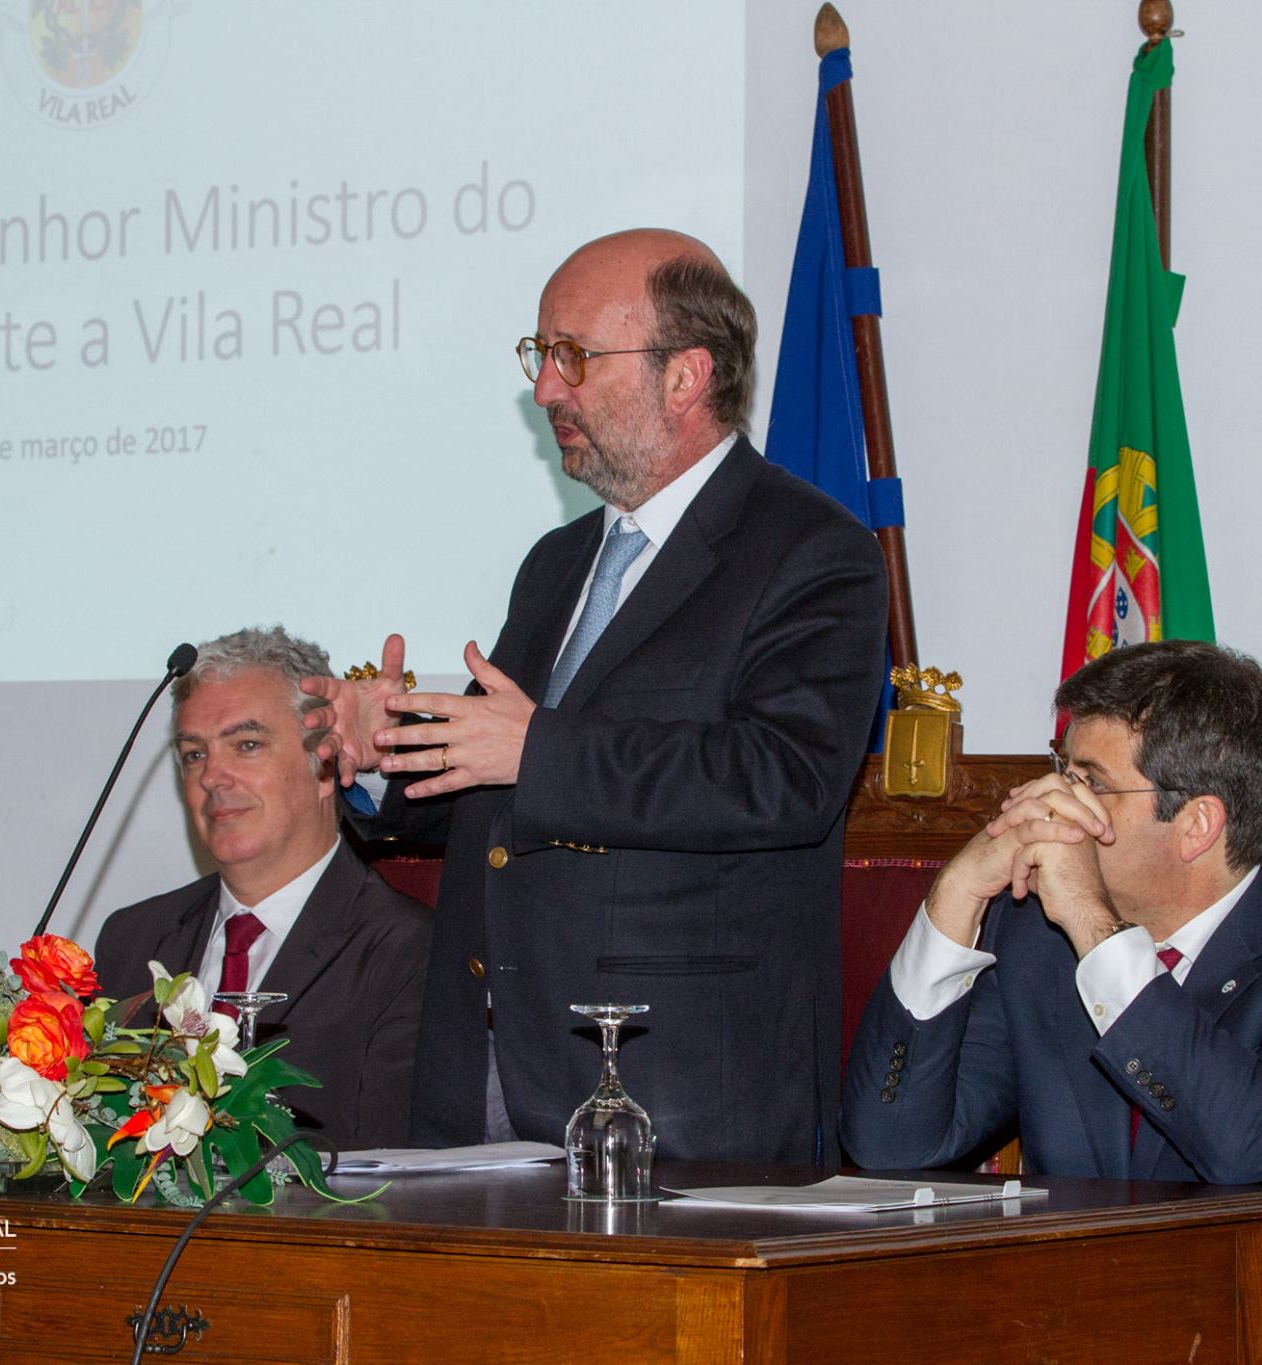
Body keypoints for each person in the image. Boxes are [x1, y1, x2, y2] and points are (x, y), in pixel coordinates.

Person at [304, 229, 888, 1164]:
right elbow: (500, 782)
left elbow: (784, 777)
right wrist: (384, 762)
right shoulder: (556, 565)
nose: (544, 392)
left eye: (572, 357)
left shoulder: (811, 552)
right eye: (540, 357)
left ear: (686, 375)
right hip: (485, 1072)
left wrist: (535, 749)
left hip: (684, 1089)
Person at [840, 640, 1262, 1364]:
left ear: (1197, 825)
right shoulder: (1040, 941)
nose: (1047, 804)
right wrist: (954, 900)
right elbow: (891, 1146)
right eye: (1059, 769)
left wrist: (1098, 932)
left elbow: (1248, 1142)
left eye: (1088, 782)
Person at [95, 627, 431, 1152]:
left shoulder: (407, 949)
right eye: (194, 755)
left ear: (324, 762)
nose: (213, 778)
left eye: (246, 745)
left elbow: (388, 1175)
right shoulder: (132, 939)